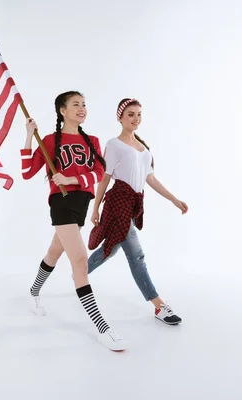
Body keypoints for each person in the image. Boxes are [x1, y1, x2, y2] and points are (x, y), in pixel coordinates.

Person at [20, 90, 126, 352]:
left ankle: (33, 291)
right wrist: (27, 135)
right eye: (75, 104)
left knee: (54, 252)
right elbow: (26, 172)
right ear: (62, 111)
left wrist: (72, 179)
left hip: (81, 204)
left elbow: (100, 172)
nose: (82, 108)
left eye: (84, 105)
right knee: (79, 261)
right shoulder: (49, 140)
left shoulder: (92, 140)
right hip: (62, 204)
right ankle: (103, 328)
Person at [86, 98, 188, 325]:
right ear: (120, 117)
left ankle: (79, 275)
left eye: (139, 114)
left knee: (110, 249)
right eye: (131, 114)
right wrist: (95, 207)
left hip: (133, 204)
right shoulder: (114, 144)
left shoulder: (143, 149)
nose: (136, 119)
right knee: (137, 255)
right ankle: (159, 306)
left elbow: (150, 179)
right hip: (117, 202)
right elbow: (106, 177)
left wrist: (174, 200)